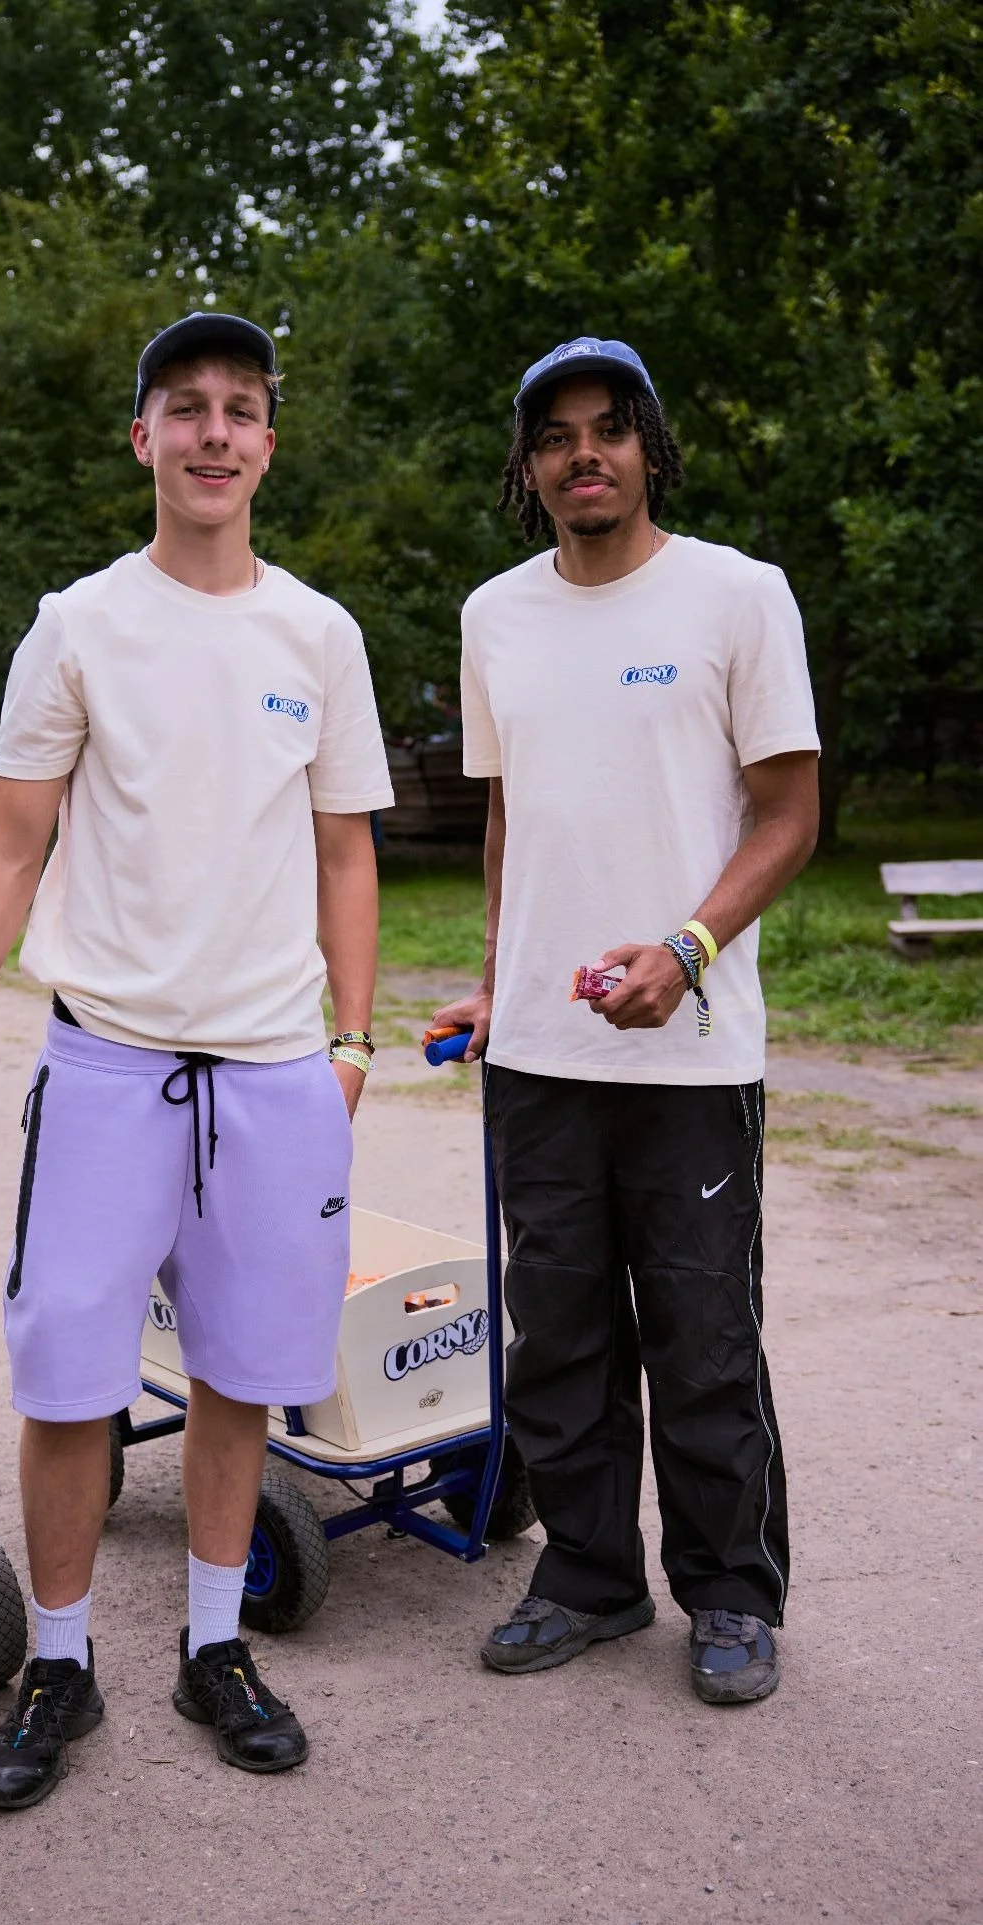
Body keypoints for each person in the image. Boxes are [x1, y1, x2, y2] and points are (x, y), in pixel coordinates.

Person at [0, 312, 392, 1808]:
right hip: (110, 1069)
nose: (215, 433)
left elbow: (346, 854)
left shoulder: (318, 635)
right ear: (144, 439)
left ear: (268, 442)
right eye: (186, 408)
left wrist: (351, 1043)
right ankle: (59, 1664)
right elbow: (9, 841)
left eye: (242, 409)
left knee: (241, 1377)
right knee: (68, 1380)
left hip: (271, 1075)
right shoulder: (79, 624)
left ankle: (214, 1645)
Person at [433, 336, 820, 1706]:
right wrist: (498, 973)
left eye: (607, 429)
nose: (581, 453)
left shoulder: (734, 596)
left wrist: (686, 944)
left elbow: (789, 814)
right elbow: (507, 814)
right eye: (554, 436)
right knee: (558, 1328)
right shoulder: (494, 615)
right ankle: (587, 1578)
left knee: (701, 1329)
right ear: (526, 468)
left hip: (690, 1043)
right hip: (540, 1048)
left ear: (649, 446)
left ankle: (727, 1595)